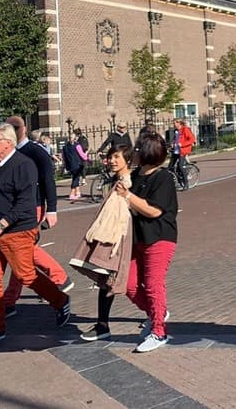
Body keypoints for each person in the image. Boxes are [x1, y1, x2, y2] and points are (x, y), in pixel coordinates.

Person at [0, 124, 71, 345]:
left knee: (26, 274)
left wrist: (1, 225)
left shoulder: (23, 165)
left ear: (7, 143)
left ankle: (60, 300)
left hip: (17, 231)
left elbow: (25, 204)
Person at [112, 132, 179, 352]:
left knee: (152, 285)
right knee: (128, 284)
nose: (135, 153)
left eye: (138, 150)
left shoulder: (163, 178)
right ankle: (156, 313)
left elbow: (153, 210)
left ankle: (159, 332)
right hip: (136, 238)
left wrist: (128, 196)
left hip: (159, 238)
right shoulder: (135, 176)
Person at [3, 116, 74, 317]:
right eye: (8, 128)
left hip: (32, 206)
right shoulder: (8, 153)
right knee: (20, 254)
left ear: (24, 128)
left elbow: (47, 180)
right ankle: (9, 301)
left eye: (15, 127)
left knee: (22, 247)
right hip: (15, 207)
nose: (12, 131)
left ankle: (59, 277)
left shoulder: (35, 152)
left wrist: (51, 209)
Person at [71, 143, 135, 341]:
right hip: (111, 236)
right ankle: (102, 324)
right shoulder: (117, 180)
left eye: (117, 157)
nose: (112, 161)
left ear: (128, 160)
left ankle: (157, 313)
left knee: (122, 281)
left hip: (120, 237)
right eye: (111, 157)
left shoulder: (128, 182)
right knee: (107, 280)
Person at [169, 118, 195, 190]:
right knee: (170, 167)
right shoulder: (176, 131)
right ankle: (179, 180)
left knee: (180, 166)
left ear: (179, 123)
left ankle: (186, 183)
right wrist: (173, 143)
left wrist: (182, 144)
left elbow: (192, 139)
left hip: (182, 151)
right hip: (176, 151)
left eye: (174, 123)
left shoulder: (185, 129)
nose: (173, 124)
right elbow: (175, 139)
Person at [62, 131, 88, 201]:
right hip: (77, 164)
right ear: (75, 138)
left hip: (70, 165)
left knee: (75, 177)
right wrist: (87, 156)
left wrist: (65, 165)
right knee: (75, 179)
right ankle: (72, 194)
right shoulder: (77, 145)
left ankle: (78, 192)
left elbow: (64, 157)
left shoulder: (65, 147)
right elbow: (82, 156)